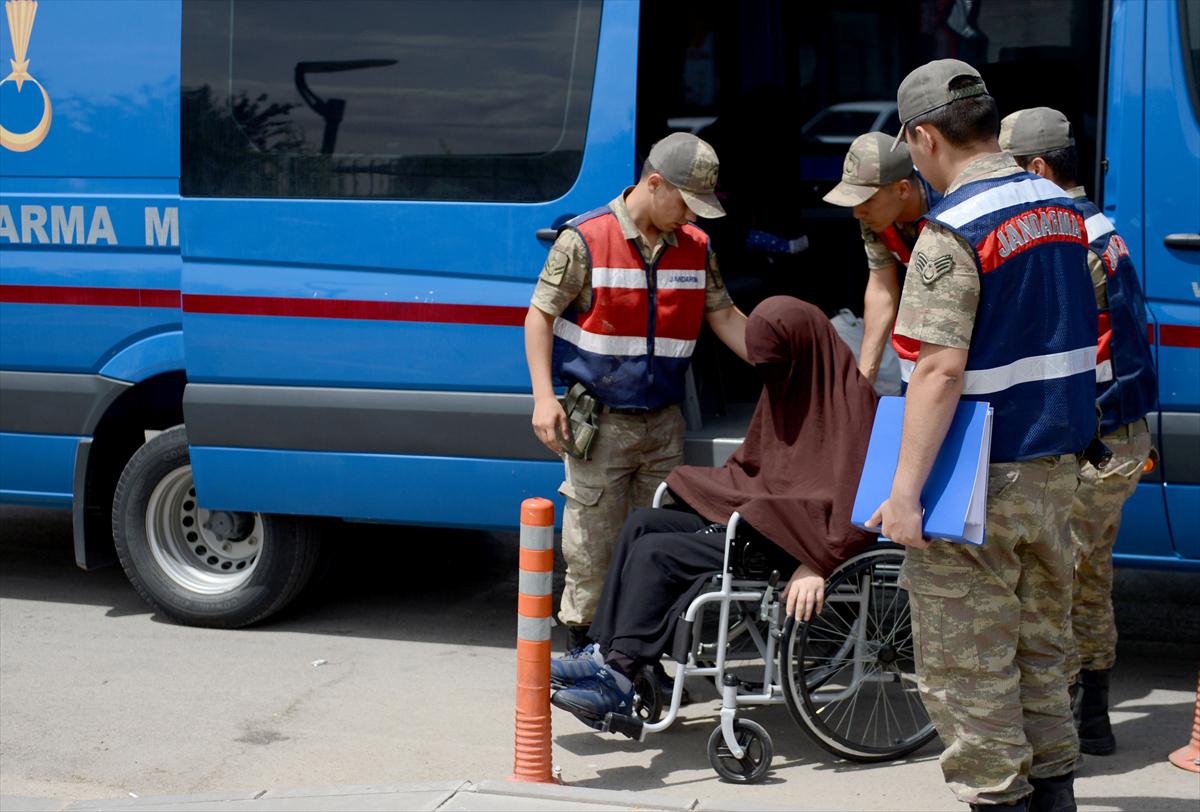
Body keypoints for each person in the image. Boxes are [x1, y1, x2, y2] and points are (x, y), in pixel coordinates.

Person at [866, 61, 1098, 812]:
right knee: (1041, 654)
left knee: (969, 674)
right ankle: (1055, 792)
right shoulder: (1060, 210)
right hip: (1055, 474)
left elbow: (937, 372)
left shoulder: (952, 231)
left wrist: (903, 496)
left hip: (980, 485)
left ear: (924, 137)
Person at [548, 296, 878, 722]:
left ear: (803, 348)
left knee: (658, 554)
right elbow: (754, 467)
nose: (771, 374)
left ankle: (621, 675)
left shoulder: (857, 408)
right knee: (643, 524)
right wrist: (712, 490)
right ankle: (604, 650)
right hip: (759, 520)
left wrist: (818, 562)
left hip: (797, 541)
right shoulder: (788, 385)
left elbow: (864, 508)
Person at [523, 132, 750, 650]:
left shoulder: (696, 248)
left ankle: (639, 664)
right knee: (593, 554)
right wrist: (543, 397)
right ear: (654, 184)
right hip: (600, 424)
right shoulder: (585, 239)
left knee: (660, 552)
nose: (691, 218)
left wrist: (785, 360)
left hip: (664, 424)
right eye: (686, 204)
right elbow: (539, 317)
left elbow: (726, 318)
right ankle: (584, 659)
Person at [1000, 107, 1158, 757]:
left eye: (1007, 172)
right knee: (1087, 578)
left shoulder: (1065, 240)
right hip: (1120, 435)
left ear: (1038, 169)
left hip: (1095, 439)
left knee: (1057, 590)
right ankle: (1092, 719)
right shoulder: (1099, 229)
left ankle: (1060, 738)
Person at [822, 131, 939, 393]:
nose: (856, 213)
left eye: (866, 200)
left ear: (902, 190)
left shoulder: (950, 206)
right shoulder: (876, 221)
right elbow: (882, 290)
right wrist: (865, 380)